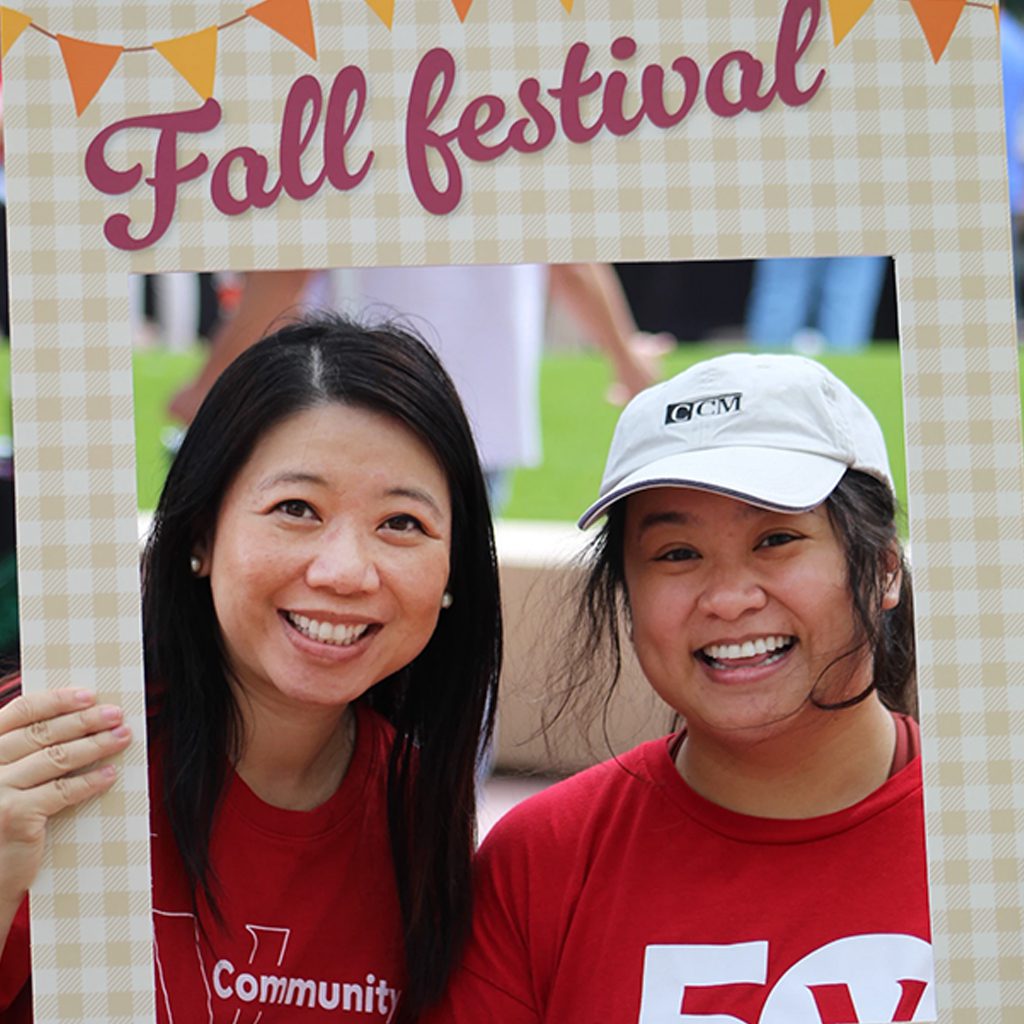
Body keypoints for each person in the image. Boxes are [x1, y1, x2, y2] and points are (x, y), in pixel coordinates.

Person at [0, 315, 502, 1023]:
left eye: (402, 524)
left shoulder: (420, 813)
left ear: (454, 574)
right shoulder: (42, 757)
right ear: (200, 534)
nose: (345, 572)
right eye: (296, 508)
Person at [425, 352, 934, 1022]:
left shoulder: (993, 833)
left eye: (776, 538)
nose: (727, 598)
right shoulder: (539, 863)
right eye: (677, 555)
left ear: (884, 570)